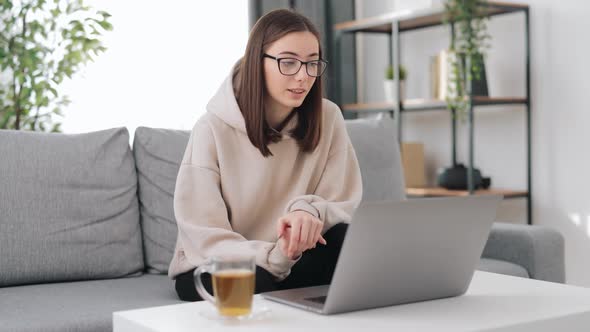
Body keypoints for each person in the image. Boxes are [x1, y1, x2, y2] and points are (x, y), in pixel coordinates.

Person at [169, 8, 363, 301]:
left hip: (295, 257)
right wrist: (273, 255)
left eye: (312, 64)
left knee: (348, 240)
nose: (303, 76)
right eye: (288, 62)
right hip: (222, 260)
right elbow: (203, 232)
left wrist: (308, 211)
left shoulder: (329, 117)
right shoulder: (211, 128)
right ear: (256, 62)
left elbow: (343, 203)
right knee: (252, 281)